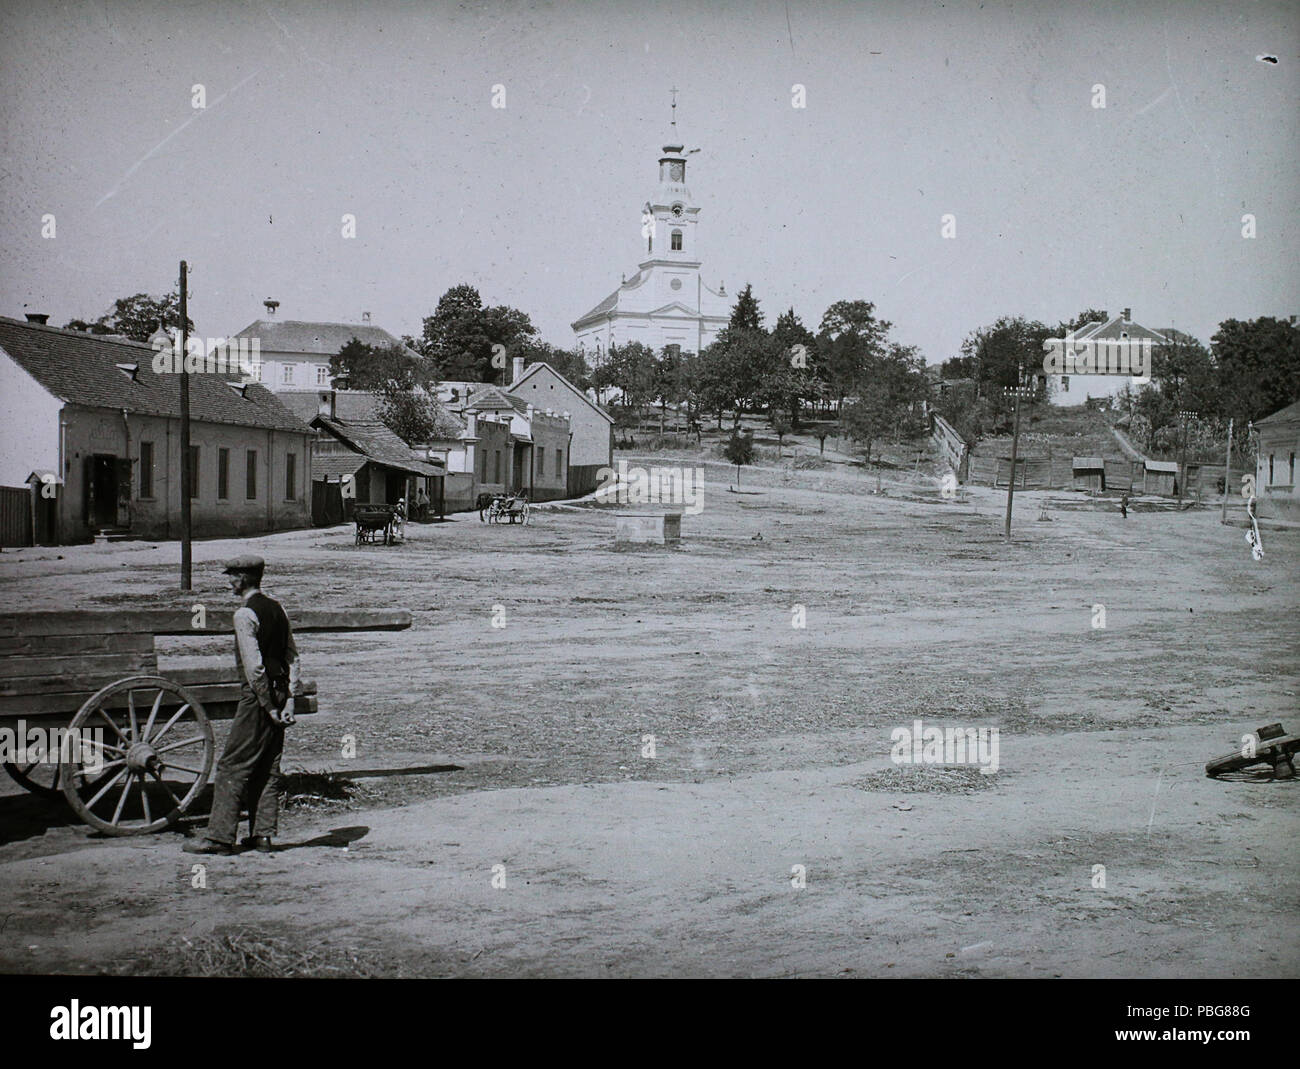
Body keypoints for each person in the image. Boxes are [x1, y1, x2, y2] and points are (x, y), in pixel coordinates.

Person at [184, 555, 301, 856]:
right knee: (267, 766)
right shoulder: (278, 608)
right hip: (278, 693)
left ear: (245, 578)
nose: (229, 581)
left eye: (233, 575)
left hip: (257, 698)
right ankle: (262, 836)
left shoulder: (244, 615)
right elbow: (292, 657)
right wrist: (288, 700)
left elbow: (255, 669)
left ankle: (219, 838)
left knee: (232, 765)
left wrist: (268, 706)